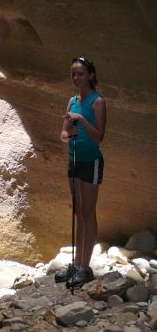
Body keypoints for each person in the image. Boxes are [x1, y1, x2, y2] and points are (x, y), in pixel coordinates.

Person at [54, 57, 106, 289]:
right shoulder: (72, 101)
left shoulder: (97, 101)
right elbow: (63, 135)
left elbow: (99, 137)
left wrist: (82, 120)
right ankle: (76, 264)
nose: (76, 78)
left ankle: (84, 268)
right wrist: (69, 134)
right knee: (78, 213)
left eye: (80, 74)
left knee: (88, 213)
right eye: (73, 74)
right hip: (73, 159)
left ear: (90, 75)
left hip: (90, 161)